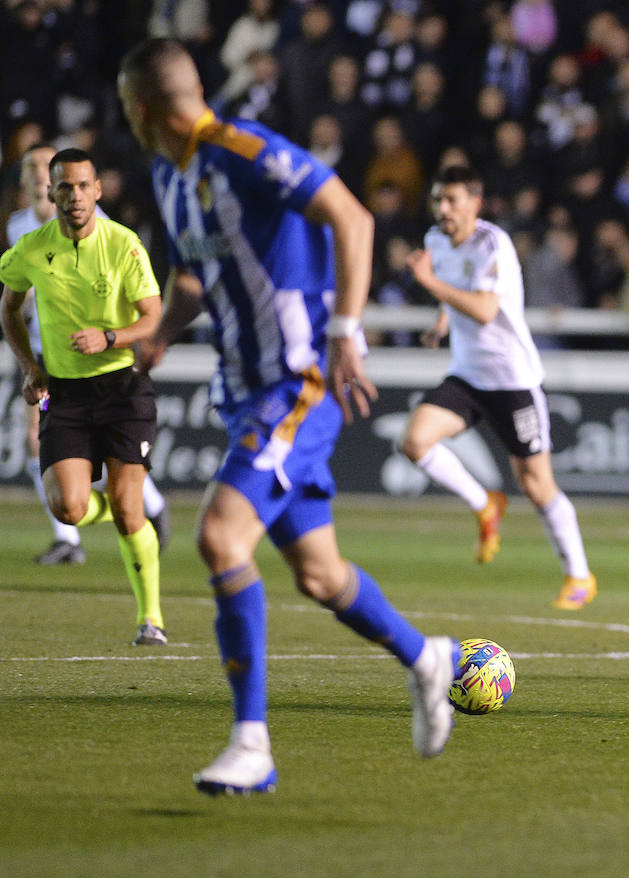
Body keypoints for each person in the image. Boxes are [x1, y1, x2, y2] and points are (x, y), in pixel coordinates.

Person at [117, 37, 462, 796]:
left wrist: (344, 332)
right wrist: (158, 338)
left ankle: (252, 743)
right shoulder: (170, 177)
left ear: (142, 110)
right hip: (246, 387)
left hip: (299, 382)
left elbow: (351, 216)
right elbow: (189, 279)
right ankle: (427, 657)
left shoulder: (244, 150)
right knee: (319, 573)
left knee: (218, 536)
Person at [400, 164, 596, 610]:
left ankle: (580, 576)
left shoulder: (494, 244)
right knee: (414, 441)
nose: (443, 209)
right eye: (437, 200)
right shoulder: (435, 241)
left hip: (512, 380)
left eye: (451, 200)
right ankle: (485, 504)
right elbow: (457, 292)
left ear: (474, 202)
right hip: (468, 374)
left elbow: (487, 309)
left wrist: (430, 284)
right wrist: (441, 322)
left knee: (535, 483)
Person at [1, 148, 168, 647]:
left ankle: (151, 618)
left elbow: (153, 315)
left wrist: (110, 337)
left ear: (97, 190)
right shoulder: (31, 248)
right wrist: (31, 366)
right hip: (65, 392)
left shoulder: (124, 244)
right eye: (64, 188)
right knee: (68, 508)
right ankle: (127, 509)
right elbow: (9, 310)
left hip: (121, 386)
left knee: (126, 507)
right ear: (49, 194)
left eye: (82, 186)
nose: (74, 197)